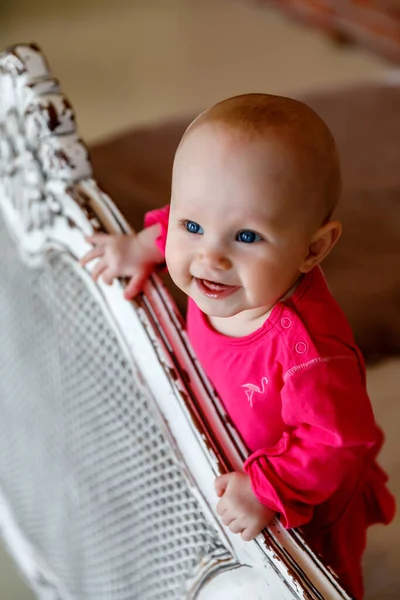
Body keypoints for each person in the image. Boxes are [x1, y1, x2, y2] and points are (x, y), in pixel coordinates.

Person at [80, 94, 395, 598]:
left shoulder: (309, 353)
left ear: (313, 249)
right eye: (194, 227)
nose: (210, 257)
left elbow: (338, 442)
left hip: (302, 501)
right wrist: (139, 246)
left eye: (246, 236)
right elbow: (172, 225)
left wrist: (267, 488)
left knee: (317, 582)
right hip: (229, 446)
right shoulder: (211, 258)